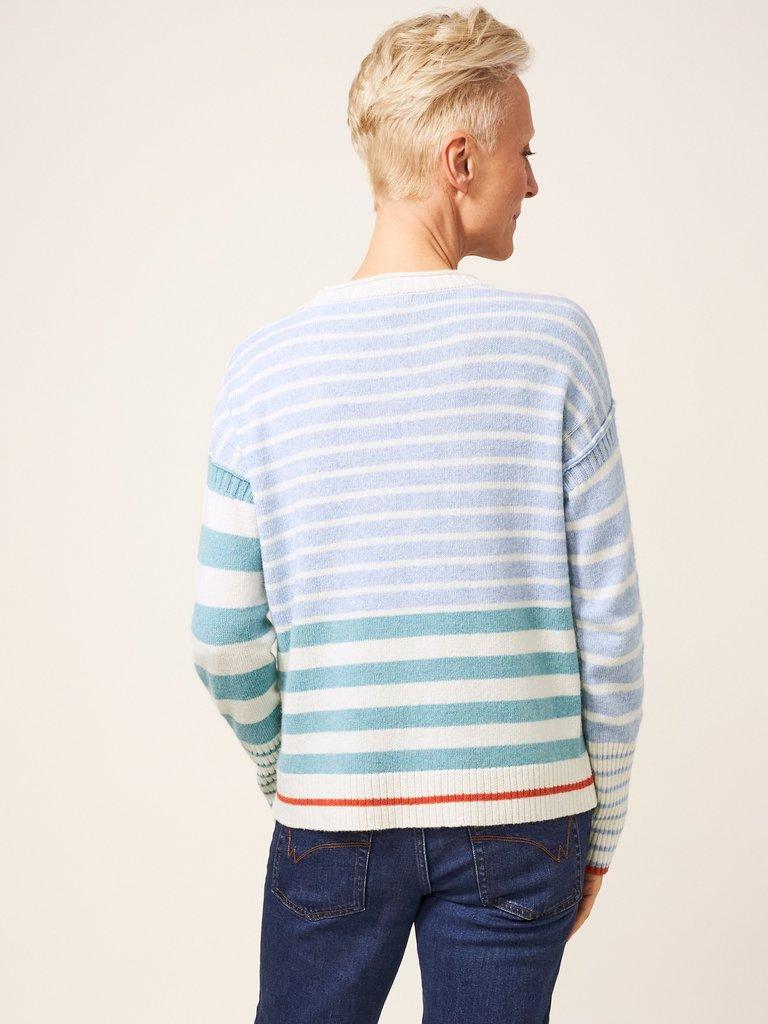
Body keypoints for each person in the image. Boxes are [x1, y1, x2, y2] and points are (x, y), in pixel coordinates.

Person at [190, 7, 644, 1023]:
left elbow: (221, 637)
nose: (532, 182)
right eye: (524, 153)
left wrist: (293, 771)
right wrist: (601, 825)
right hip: (526, 816)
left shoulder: (262, 371)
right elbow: (610, 630)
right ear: (460, 161)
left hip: (335, 806)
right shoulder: (557, 347)